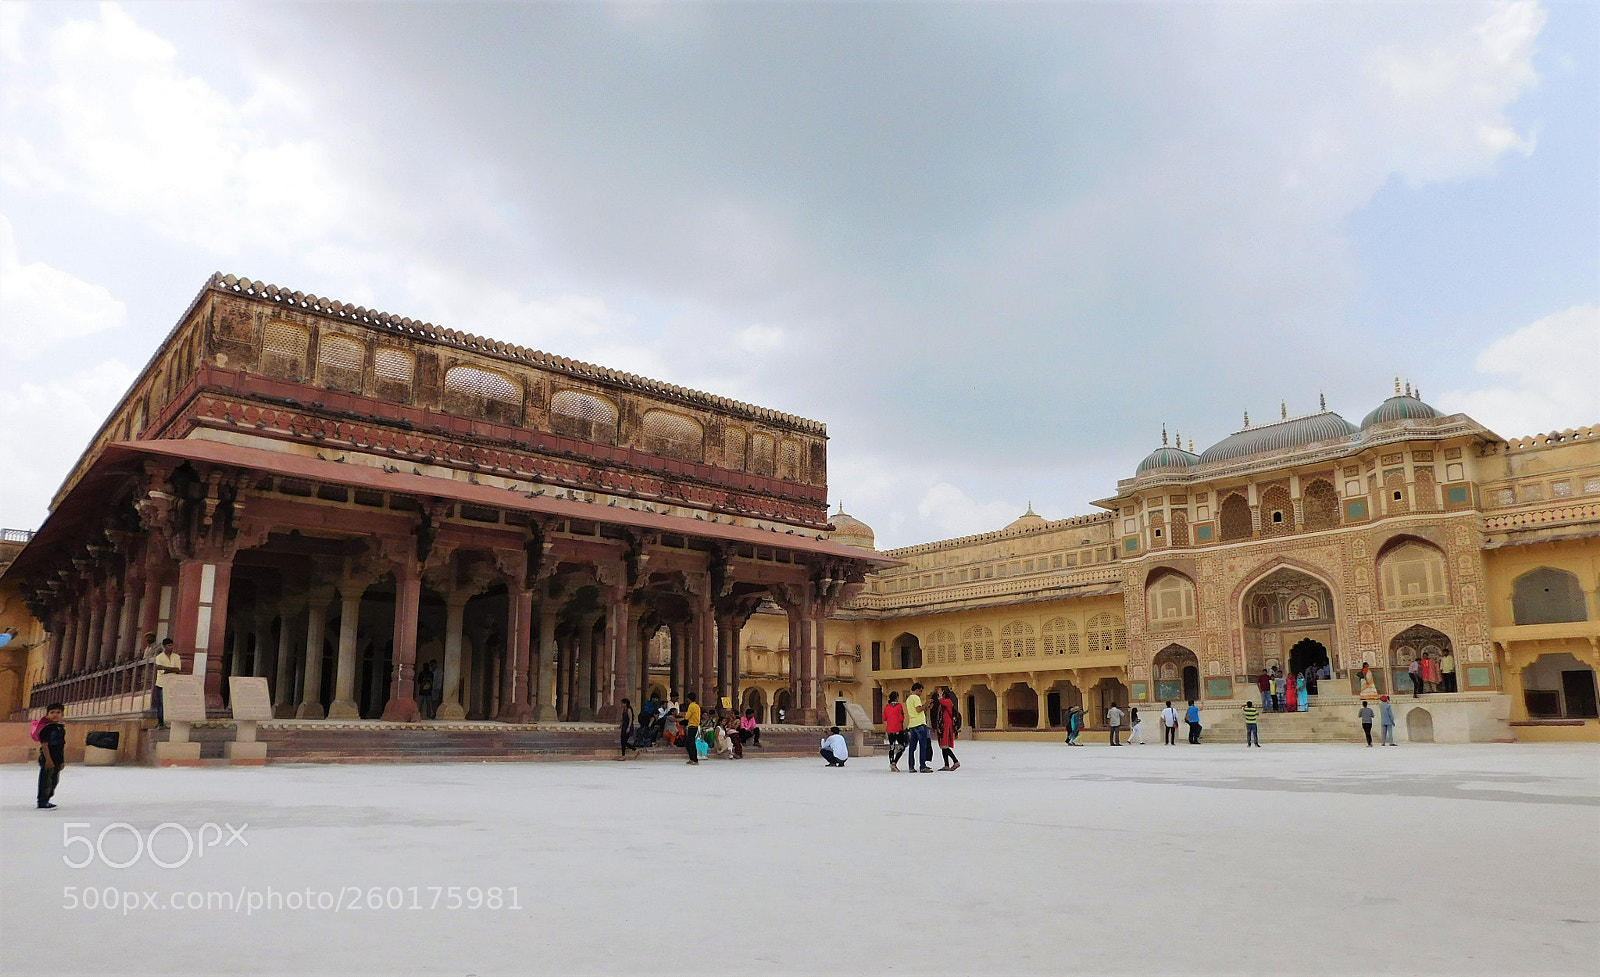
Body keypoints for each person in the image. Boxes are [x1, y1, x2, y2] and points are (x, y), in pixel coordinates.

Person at [37, 702, 66, 809]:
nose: (55, 715)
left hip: (57, 758)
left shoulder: (60, 728)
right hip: (48, 758)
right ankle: (42, 801)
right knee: (46, 780)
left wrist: (62, 761)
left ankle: (47, 799)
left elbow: (61, 745)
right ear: (47, 715)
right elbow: (44, 744)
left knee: (54, 780)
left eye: (58, 712)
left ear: (62, 715)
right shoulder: (47, 728)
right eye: (52, 712)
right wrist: (48, 760)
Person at [152, 637, 181, 728]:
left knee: (172, 702)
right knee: (161, 703)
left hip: (173, 683)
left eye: (172, 645)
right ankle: (161, 722)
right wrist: (171, 669)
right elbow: (162, 672)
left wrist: (165, 667)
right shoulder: (159, 657)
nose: (171, 647)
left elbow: (178, 669)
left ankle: (171, 722)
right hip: (162, 683)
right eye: (169, 646)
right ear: (164, 646)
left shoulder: (176, 656)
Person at [904, 682, 932, 773]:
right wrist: (926, 704)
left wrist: (926, 707)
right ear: (916, 690)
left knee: (912, 747)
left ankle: (911, 766)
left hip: (912, 724)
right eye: (920, 690)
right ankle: (922, 766)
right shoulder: (916, 698)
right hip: (920, 724)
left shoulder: (908, 699)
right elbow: (918, 709)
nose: (921, 693)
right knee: (922, 746)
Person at [936, 690, 960, 771]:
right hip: (944, 725)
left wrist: (940, 696)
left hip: (946, 725)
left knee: (945, 745)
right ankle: (946, 765)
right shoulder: (944, 703)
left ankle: (955, 761)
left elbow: (941, 701)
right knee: (943, 746)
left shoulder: (947, 701)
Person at [884, 691, 907, 770]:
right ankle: (894, 762)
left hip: (889, 729)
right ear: (897, 697)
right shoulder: (899, 706)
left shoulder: (887, 706)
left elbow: (884, 718)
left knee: (892, 747)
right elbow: (901, 717)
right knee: (902, 746)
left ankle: (891, 762)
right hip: (898, 728)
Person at [683, 694, 701, 765]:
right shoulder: (697, 706)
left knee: (691, 743)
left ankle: (694, 759)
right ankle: (692, 758)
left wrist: (684, 715)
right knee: (688, 743)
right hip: (695, 726)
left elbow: (687, 717)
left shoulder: (691, 706)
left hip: (692, 726)